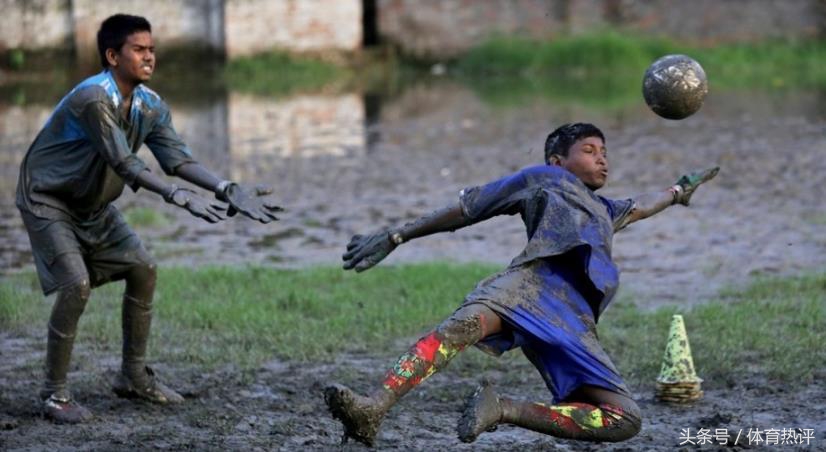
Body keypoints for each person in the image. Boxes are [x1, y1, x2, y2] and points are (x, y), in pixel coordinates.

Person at [324, 123, 718, 445]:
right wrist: (399, 235)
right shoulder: (544, 179)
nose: (601, 158)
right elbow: (469, 208)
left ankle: (503, 409)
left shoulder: (606, 209)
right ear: (557, 161)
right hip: (527, 287)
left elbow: (644, 204)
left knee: (624, 419)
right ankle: (373, 407)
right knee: (460, 327)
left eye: (604, 151)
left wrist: (678, 191)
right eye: (589, 149)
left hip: (574, 321)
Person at [16, 14, 282, 424]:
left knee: (143, 268)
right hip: (48, 198)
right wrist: (175, 197)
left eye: (152, 49)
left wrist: (224, 187)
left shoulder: (150, 105)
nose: (149, 57)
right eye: (138, 50)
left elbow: (176, 159)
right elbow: (124, 163)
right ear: (112, 56)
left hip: (93, 204)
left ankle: (133, 376)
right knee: (76, 284)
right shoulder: (93, 99)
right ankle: (54, 396)